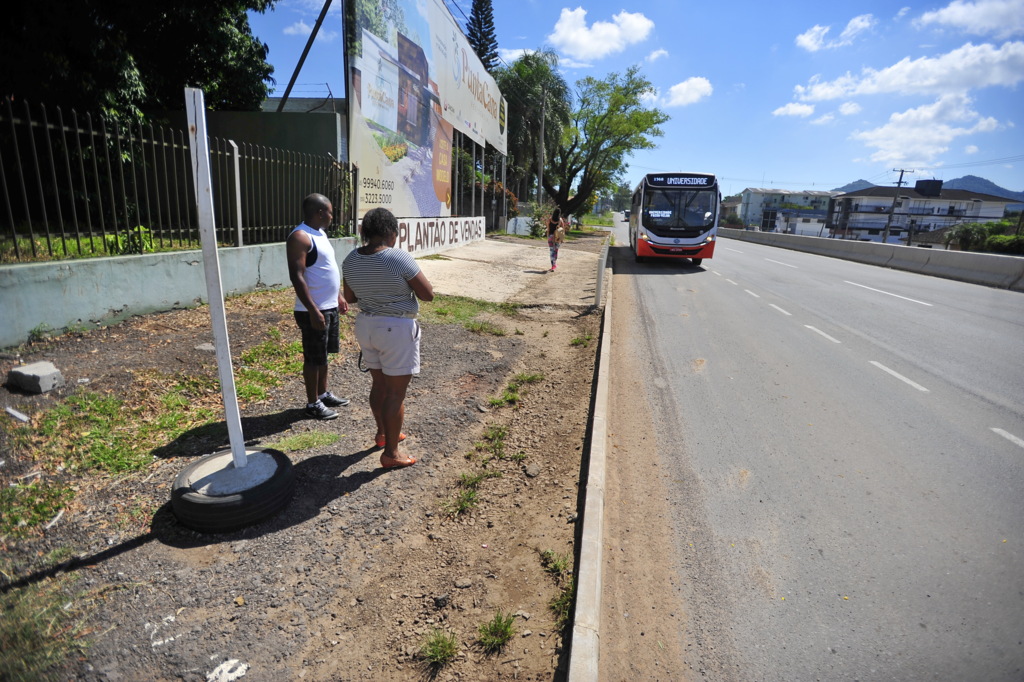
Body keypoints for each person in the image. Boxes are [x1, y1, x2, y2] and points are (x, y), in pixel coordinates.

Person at [343, 208, 434, 469]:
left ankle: (383, 434)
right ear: (391, 232)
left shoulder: (350, 259)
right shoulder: (399, 258)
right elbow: (428, 294)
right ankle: (392, 453)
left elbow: (349, 298)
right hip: (396, 327)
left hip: (366, 325)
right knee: (396, 393)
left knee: (379, 385)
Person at [287, 193, 351, 420]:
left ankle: (323, 394)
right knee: (313, 358)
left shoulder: (321, 234)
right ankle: (312, 403)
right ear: (321, 212)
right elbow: (297, 276)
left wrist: (339, 296)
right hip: (313, 310)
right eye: (331, 211)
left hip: (329, 305)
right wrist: (313, 310)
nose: (333, 216)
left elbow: (326, 269)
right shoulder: (300, 237)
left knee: (324, 355)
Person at [546, 207, 567, 271]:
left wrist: (548, 237)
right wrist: (562, 239)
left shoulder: (550, 219)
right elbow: (562, 230)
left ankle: (553, 265)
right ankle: (554, 264)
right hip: (557, 238)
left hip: (550, 237)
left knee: (551, 251)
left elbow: (548, 229)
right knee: (556, 251)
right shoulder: (560, 220)